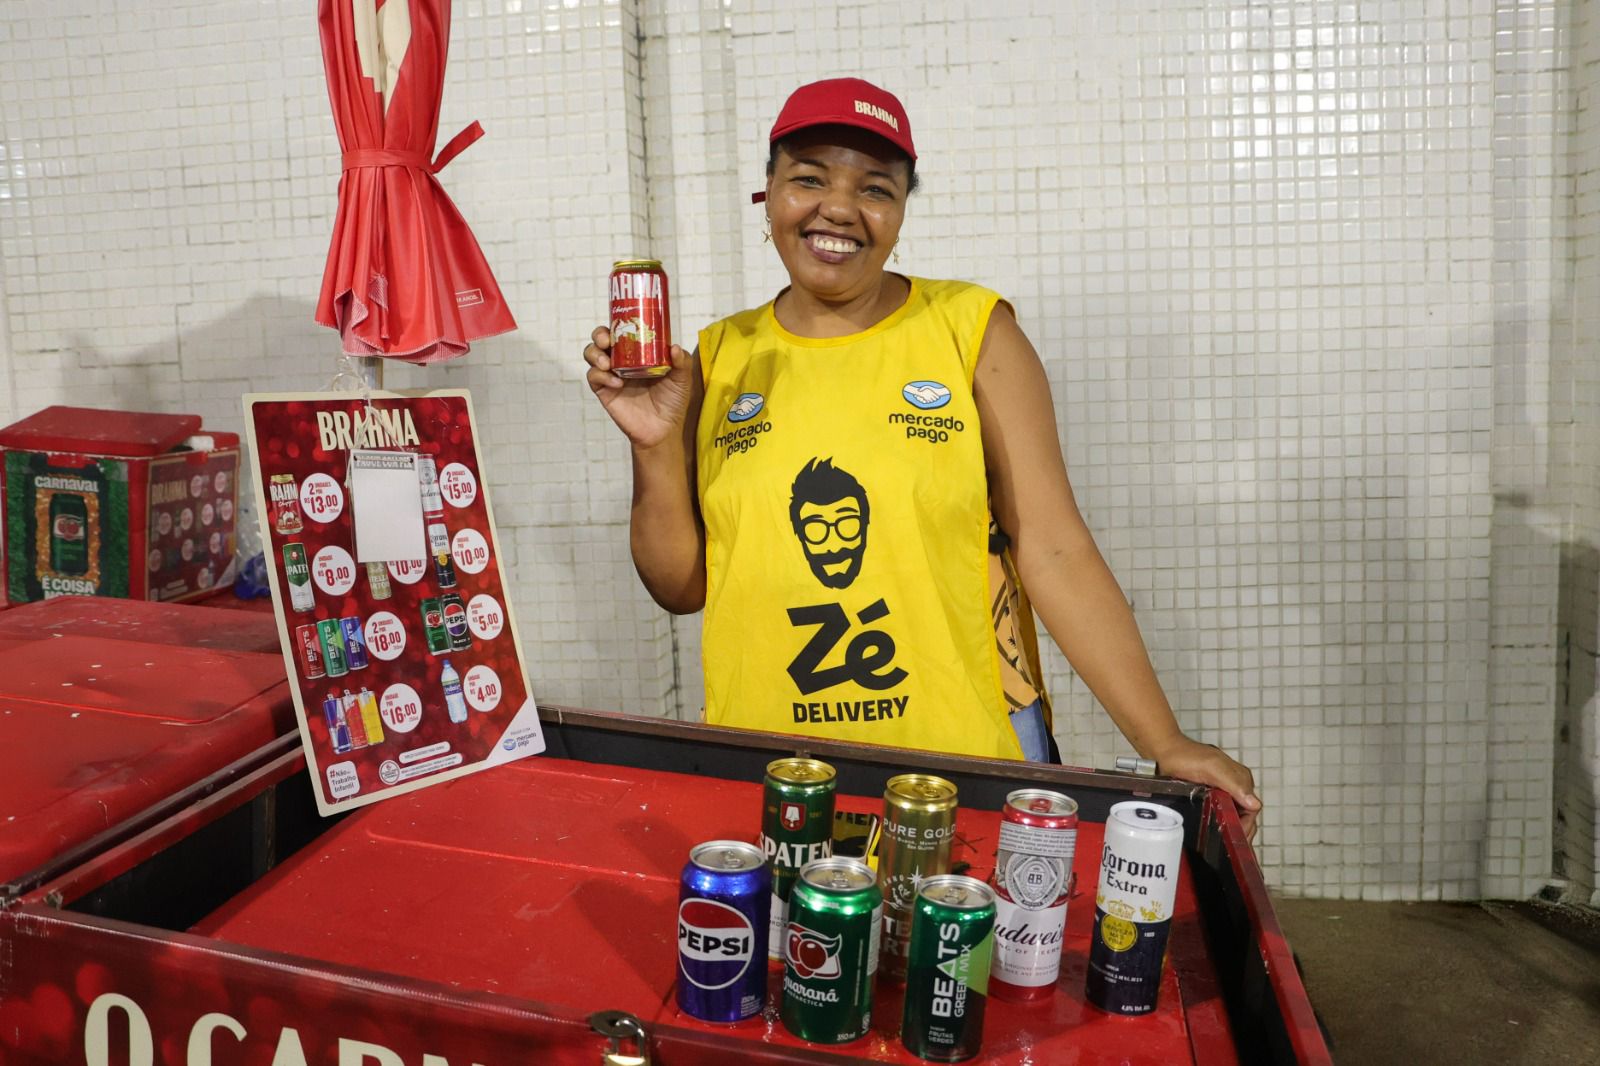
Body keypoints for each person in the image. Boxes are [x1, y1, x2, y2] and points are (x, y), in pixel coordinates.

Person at [585, 78, 1262, 839]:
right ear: (767, 193)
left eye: (875, 188)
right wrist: (652, 447)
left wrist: (1163, 742)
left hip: (963, 763)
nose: (839, 207)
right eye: (808, 177)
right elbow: (682, 586)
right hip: (777, 772)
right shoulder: (715, 359)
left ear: (902, 210)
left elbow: (1055, 547)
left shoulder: (971, 331)